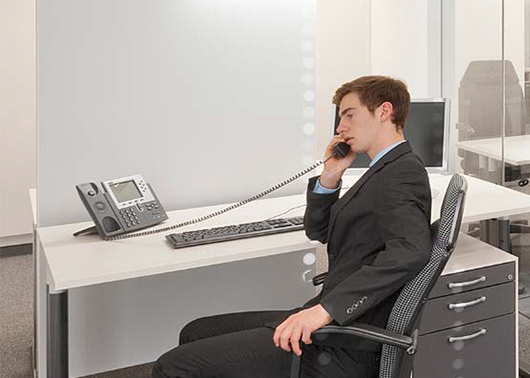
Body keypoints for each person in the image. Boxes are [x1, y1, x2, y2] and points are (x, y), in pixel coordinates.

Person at [153, 76, 432, 378]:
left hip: (346, 343)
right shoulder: (382, 170)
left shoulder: (401, 172)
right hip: (332, 320)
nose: (340, 127)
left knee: (173, 367)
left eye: (349, 115)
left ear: (384, 111)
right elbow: (318, 231)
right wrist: (330, 176)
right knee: (195, 331)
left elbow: (410, 250)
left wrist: (326, 311)